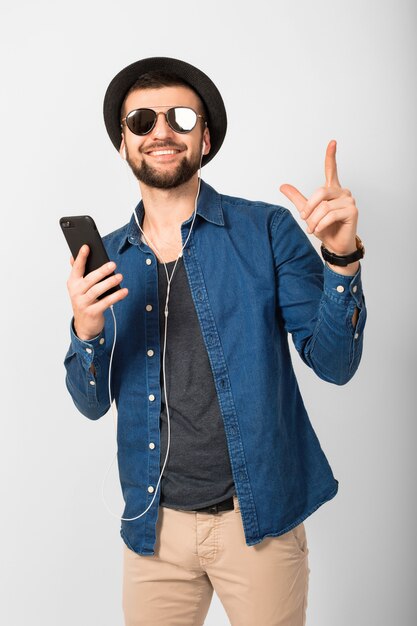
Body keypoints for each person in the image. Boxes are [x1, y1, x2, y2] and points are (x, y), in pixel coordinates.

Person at [64, 56, 366, 626]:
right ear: (124, 143)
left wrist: (342, 261)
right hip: (154, 533)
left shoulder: (268, 231)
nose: (161, 132)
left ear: (205, 138)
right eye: (141, 121)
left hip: (259, 525)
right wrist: (86, 329)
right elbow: (90, 403)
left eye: (180, 117)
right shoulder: (103, 261)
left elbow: (336, 362)